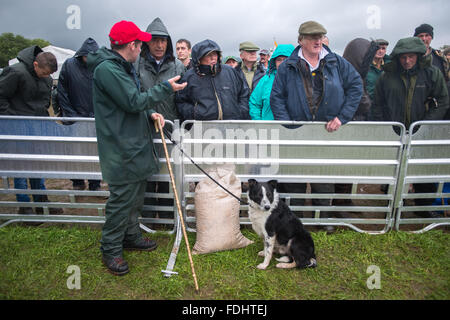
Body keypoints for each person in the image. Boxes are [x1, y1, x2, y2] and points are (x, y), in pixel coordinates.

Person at [87, 20, 187, 275]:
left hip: (134, 144)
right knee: (121, 200)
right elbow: (132, 101)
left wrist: (152, 113)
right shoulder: (108, 70)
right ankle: (110, 249)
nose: (143, 46)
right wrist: (165, 89)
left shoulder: (123, 67)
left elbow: (136, 100)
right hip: (120, 147)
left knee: (135, 198)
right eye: (140, 42)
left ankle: (131, 235)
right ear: (131, 45)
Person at [270, 21, 363, 227]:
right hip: (297, 132)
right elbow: (277, 97)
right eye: (312, 37)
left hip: (326, 132)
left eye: (320, 37)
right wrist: (288, 125)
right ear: (301, 40)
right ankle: (297, 221)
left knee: (324, 176)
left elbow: (356, 86)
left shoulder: (336, 62)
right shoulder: (287, 67)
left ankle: (323, 219)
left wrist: (342, 117)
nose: (317, 41)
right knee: (295, 177)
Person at [371, 37, 449, 218]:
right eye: (403, 57)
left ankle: (423, 206)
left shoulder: (432, 74)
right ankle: (392, 206)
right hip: (395, 131)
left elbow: (443, 101)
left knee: (423, 168)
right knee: (394, 170)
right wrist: (385, 128)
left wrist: (425, 125)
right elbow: (378, 104)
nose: (407, 61)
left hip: (423, 131)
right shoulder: (386, 77)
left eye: (411, 57)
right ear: (397, 57)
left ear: (419, 56)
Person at [0, 45, 62, 215]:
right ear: (35, 65)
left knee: (37, 164)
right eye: (44, 72)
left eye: (49, 74)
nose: (47, 76)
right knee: (21, 166)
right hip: (16, 126)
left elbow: (44, 102)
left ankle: (41, 201)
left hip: (37, 126)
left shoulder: (47, 79)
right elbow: (1, 96)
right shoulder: (15, 72)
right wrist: (11, 119)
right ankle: (24, 205)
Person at [134, 17, 185, 222]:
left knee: (167, 170)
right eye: (155, 40)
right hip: (143, 126)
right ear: (146, 42)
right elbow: (134, 94)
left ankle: (165, 215)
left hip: (169, 126)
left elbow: (183, 98)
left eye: (163, 40)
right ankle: (146, 216)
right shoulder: (137, 65)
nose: (159, 45)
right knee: (145, 171)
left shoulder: (177, 66)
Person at [57, 37, 101, 192]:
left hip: (95, 118)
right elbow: (61, 92)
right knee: (75, 151)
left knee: (95, 152)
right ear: (82, 54)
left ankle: (95, 184)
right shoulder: (69, 65)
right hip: (75, 117)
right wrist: (70, 116)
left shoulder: (100, 67)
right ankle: (77, 181)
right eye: (87, 55)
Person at [176, 39, 249, 121]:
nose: (213, 57)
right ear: (199, 58)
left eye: (215, 53)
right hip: (203, 128)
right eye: (208, 54)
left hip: (232, 126)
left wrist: (241, 112)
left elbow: (244, 93)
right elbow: (181, 101)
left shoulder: (230, 71)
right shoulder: (189, 77)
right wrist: (195, 113)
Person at [249, 44, 294, 120]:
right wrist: (259, 124)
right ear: (274, 61)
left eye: (286, 59)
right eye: (279, 59)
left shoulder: (301, 80)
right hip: (269, 129)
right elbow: (254, 104)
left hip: (295, 129)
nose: (282, 63)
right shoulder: (265, 80)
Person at [414, 24, 450, 91]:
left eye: (427, 35)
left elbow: (446, 79)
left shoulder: (440, 57)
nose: (424, 39)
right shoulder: (410, 57)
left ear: (431, 37)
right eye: (421, 36)